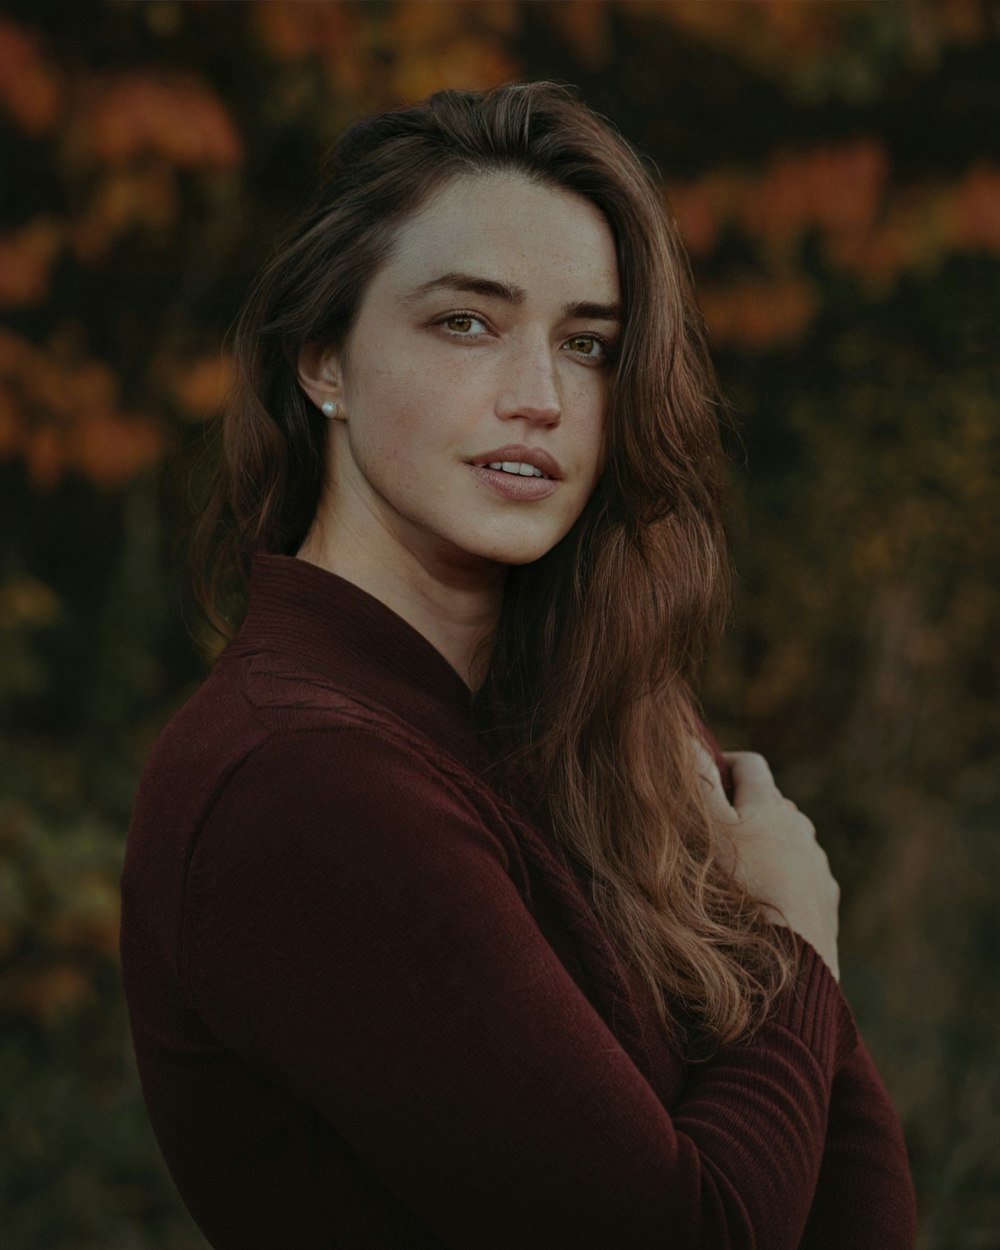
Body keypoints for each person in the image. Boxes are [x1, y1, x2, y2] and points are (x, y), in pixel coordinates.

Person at [120, 83, 917, 1248]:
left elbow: (851, 1195)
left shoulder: (616, 714)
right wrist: (795, 952)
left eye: (588, 344)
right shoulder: (296, 782)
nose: (540, 398)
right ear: (323, 361)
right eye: (466, 323)